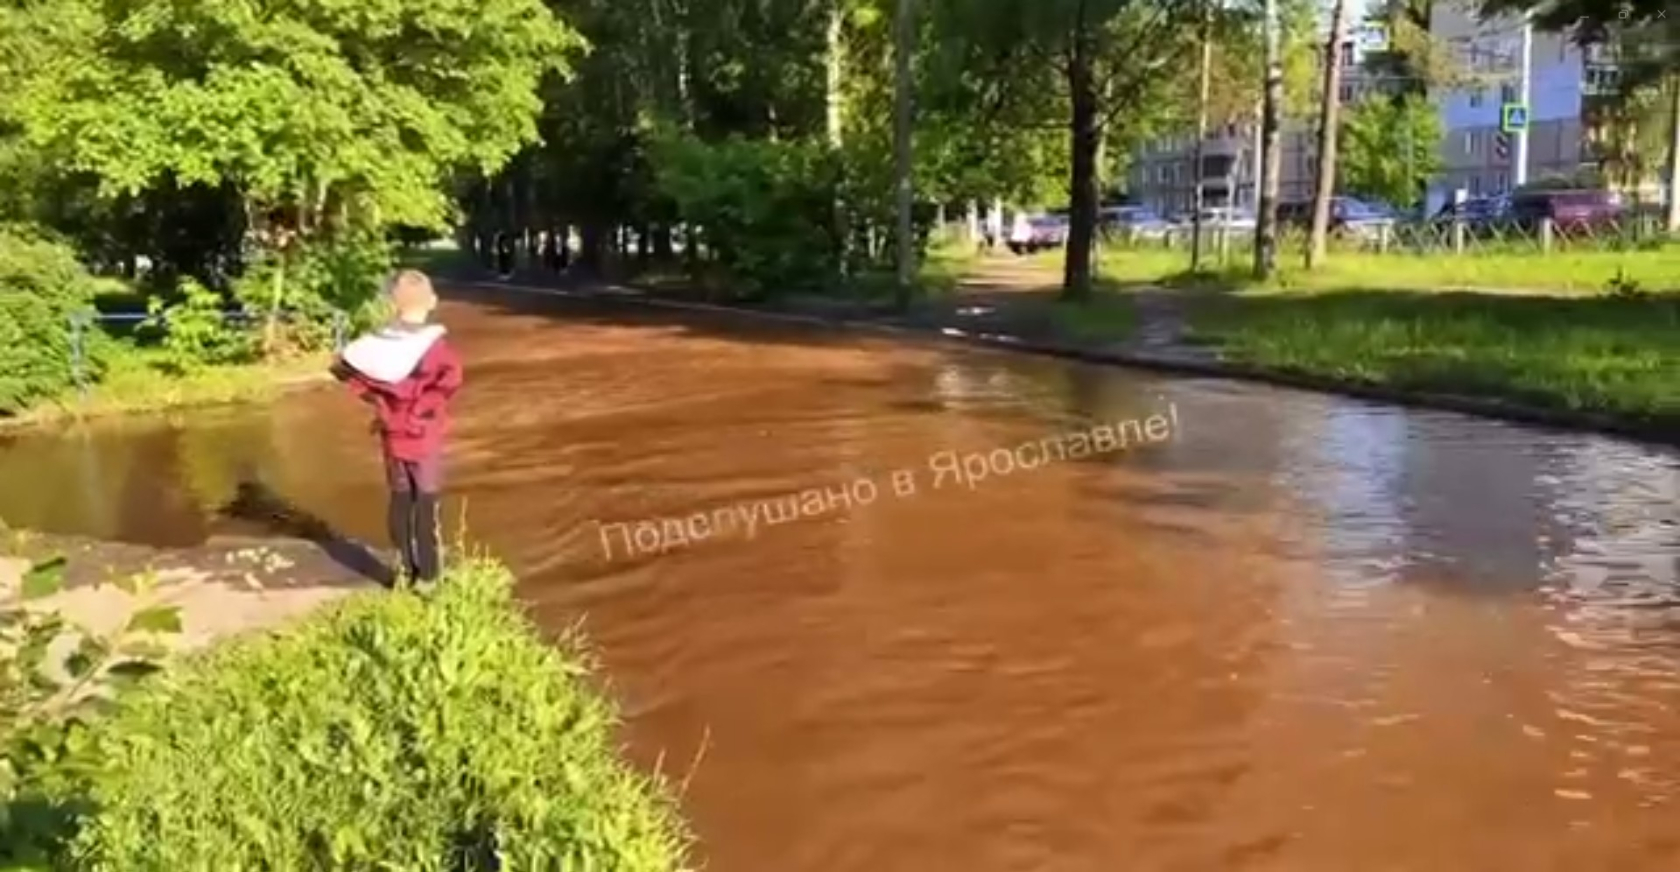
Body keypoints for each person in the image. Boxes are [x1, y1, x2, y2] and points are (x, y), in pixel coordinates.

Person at [331, 270, 464, 585]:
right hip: (423, 432)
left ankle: (405, 568)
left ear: (393, 304)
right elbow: (450, 382)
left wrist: (377, 402)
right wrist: (422, 407)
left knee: (401, 501)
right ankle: (429, 577)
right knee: (426, 502)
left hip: (392, 432)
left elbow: (342, 369)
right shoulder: (436, 349)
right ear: (432, 302)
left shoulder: (376, 345)